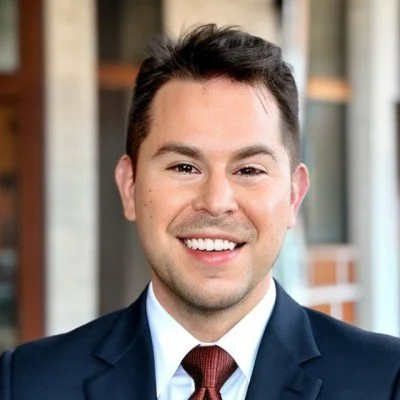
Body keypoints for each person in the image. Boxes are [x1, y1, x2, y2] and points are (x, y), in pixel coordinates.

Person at [1, 24, 400, 400]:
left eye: (248, 170)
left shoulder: (386, 381)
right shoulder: (28, 382)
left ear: (294, 195)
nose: (216, 200)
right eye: (184, 167)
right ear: (129, 186)